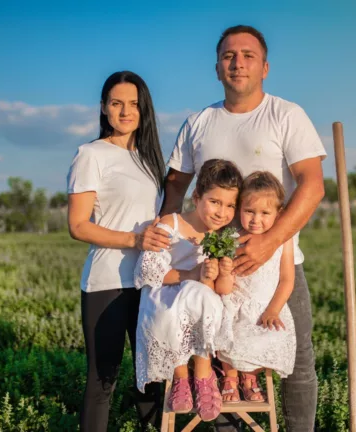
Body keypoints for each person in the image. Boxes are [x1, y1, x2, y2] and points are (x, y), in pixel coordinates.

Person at [161, 25, 326, 431]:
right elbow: (175, 187)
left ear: (265, 67)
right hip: (213, 266)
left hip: (276, 264)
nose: (238, 63)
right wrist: (164, 241)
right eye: (229, 55)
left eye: (248, 55)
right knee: (219, 357)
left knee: (296, 361)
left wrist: (269, 242)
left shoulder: (286, 115)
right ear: (216, 68)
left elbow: (313, 184)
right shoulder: (198, 122)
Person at [66, 70, 173, 431]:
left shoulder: (150, 158)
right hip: (106, 283)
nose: (125, 111)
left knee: (152, 378)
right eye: (116, 103)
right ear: (103, 108)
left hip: (149, 283)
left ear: (144, 109)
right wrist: (134, 240)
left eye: (133, 104)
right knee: (102, 381)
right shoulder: (91, 155)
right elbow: (78, 225)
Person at [133, 159, 243, 422]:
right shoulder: (172, 224)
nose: (221, 212)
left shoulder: (226, 236)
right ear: (196, 197)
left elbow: (222, 289)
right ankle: (180, 376)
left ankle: (204, 377)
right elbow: (149, 272)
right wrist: (192, 274)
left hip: (203, 300)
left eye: (230, 205)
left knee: (203, 296)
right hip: (165, 296)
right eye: (215, 202)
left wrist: (223, 273)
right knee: (186, 300)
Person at [216, 171, 297, 404]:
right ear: (239, 208)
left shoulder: (283, 239)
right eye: (249, 211)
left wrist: (273, 310)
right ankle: (230, 377)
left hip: (266, 306)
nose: (255, 219)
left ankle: (250, 378)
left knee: (268, 335)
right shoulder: (231, 236)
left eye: (265, 213)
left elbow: (286, 280)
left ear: (278, 214)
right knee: (227, 327)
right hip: (234, 301)